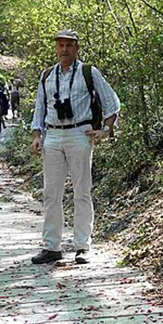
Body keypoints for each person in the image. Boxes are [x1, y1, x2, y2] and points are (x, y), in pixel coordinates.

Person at [30, 29, 120, 265]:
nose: (64, 49)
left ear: (77, 47)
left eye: (69, 45)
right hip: (53, 135)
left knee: (82, 191)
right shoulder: (47, 75)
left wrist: (106, 130)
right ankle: (51, 247)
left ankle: (82, 246)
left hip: (80, 133)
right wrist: (37, 135)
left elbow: (112, 102)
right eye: (60, 45)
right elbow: (40, 107)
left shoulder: (89, 72)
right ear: (56, 47)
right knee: (51, 193)